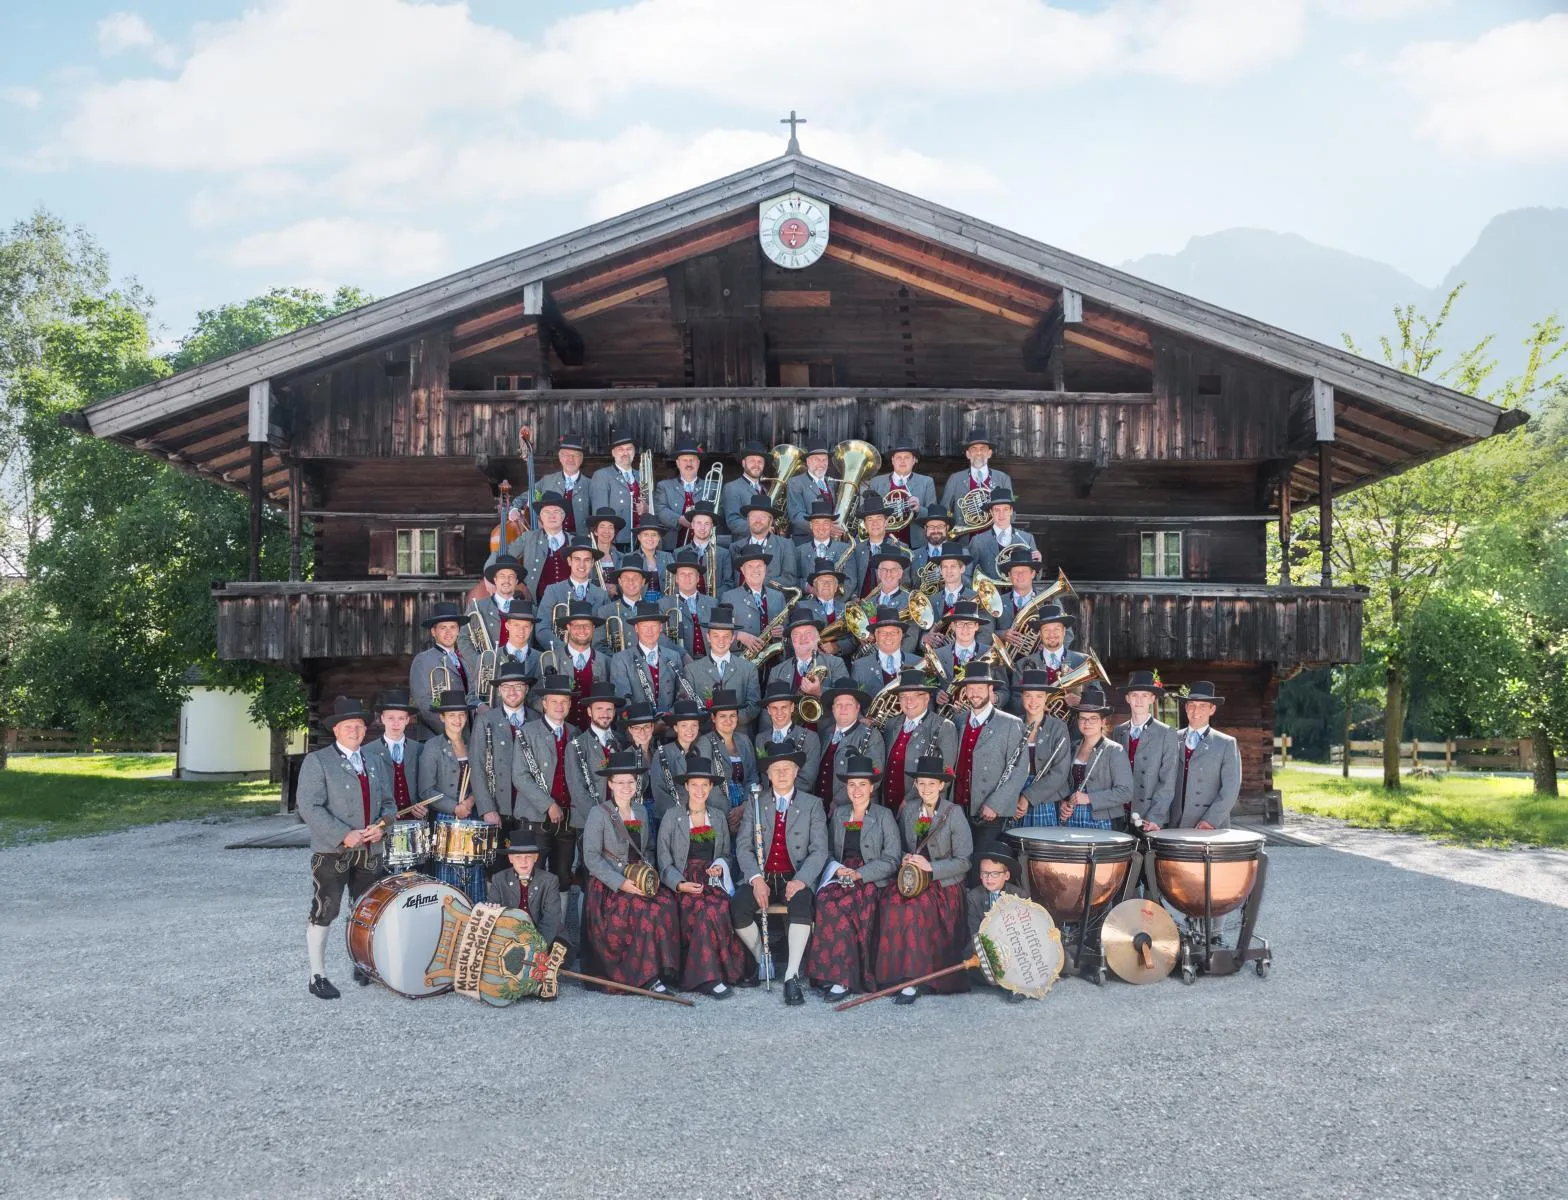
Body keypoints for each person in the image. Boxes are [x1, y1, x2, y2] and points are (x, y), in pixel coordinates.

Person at [298, 697, 394, 1000]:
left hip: (369, 851)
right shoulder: (318, 761)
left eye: (359, 726)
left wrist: (381, 827)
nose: (354, 730)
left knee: (366, 909)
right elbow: (309, 807)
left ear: (365, 730)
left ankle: (362, 963)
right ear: (336, 730)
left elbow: (389, 804)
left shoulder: (375, 761)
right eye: (348, 726)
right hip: (333, 852)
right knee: (326, 909)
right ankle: (317, 975)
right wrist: (343, 834)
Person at [732, 746, 829, 1006]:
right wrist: (755, 879)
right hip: (762, 876)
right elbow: (743, 846)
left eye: (788, 768)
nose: (783, 773)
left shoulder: (813, 805)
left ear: (797, 772)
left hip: (795, 875)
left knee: (801, 906)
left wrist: (801, 881)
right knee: (738, 906)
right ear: (769, 775)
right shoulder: (755, 803)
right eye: (777, 770)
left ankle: (791, 975)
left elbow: (819, 851)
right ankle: (763, 960)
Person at [581, 750, 681, 994]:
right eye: (620, 782)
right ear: (611, 784)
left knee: (666, 901)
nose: (626, 786)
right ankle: (644, 976)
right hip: (608, 887)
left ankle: (662, 969)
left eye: (631, 781)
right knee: (644, 909)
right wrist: (621, 883)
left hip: (637, 878)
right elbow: (591, 858)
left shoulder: (642, 811)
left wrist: (648, 877)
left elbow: (645, 849)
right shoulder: (598, 813)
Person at [877, 754, 973, 1005]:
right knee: (890, 903)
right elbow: (894, 848)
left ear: (942, 785)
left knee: (915, 909)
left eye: (932, 784)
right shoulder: (908, 811)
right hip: (911, 880)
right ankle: (894, 976)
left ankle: (914, 979)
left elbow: (964, 861)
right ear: (916, 785)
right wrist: (905, 858)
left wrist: (930, 867)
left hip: (943, 884)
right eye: (922, 783)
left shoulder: (954, 813)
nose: (927, 788)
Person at [803, 754, 900, 998]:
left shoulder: (884, 816)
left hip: (870, 878)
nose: (856, 790)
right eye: (852, 785)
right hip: (841, 873)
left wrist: (860, 873)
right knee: (826, 900)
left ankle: (845, 978)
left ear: (872, 787)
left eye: (862, 785)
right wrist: (837, 869)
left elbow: (892, 859)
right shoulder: (838, 815)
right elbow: (825, 851)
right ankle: (828, 973)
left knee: (848, 905)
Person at [657, 755, 748, 998]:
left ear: (711, 787)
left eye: (704, 785)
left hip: (711, 880)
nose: (699, 790)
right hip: (683, 880)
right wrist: (680, 884)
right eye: (694, 784)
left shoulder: (718, 816)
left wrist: (720, 867)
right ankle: (709, 978)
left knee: (717, 907)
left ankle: (718, 972)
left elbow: (727, 854)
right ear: (686, 786)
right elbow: (663, 860)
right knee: (701, 910)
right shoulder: (671, 816)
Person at [417, 688, 498, 903]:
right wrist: (455, 807)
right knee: (449, 882)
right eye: (451, 715)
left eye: (461, 715)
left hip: (473, 817)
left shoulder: (474, 743)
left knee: (475, 876)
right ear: (442, 717)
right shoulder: (433, 747)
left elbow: (485, 778)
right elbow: (426, 790)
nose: (457, 719)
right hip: (447, 821)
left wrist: (472, 800)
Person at [947, 664, 1026, 873]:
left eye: (980, 688)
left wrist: (996, 804)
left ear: (991, 691)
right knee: (958, 862)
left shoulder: (1011, 724)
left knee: (983, 868)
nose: (974, 694)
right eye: (970, 688)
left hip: (990, 812)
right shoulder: (958, 720)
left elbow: (1020, 769)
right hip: (958, 807)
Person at [511, 674, 580, 900]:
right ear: (544, 704)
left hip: (568, 817)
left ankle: (557, 929)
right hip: (535, 817)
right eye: (554, 701)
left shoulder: (575, 733)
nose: (559, 706)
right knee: (533, 874)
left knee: (563, 874)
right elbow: (520, 776)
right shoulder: (527, 732)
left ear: (570, 705)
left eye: (564, 702)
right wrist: (549, 804)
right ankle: (530, 926)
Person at [1048, 683, 1133, 829]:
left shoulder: (1114, 750)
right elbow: (1063, 783)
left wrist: (1089, 798)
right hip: (1071, 818)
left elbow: (1125, 792)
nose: (1087, 723)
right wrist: (1063, 802)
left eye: (1093, 718)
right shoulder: (1072, 748)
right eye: (1082, 718)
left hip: (1102, 821)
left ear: (1103, 721)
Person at [467, 661, 535, 835]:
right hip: (498, 806)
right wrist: (487, 808)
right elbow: (477, 766)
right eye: (506, 687)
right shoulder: (485, 720)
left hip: (531, 809)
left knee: (530, 860)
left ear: (526, 688)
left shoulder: (537, 719)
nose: (512, 692)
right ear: (499, 690)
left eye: (518, 686)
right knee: (499, 861)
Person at [879, 669, 957, 816]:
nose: (909, 702)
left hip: (922, 808)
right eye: (904, 696)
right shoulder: (891, 724)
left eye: (915, 696)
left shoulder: (943, 726)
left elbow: (945, 775)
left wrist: (911, 800)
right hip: (887, 805)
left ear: (927, 698)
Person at [1115, 670, 1180, 833]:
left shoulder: (1166, 733)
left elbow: (1168, 781)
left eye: (1145, 695)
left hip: (1148, 817)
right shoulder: (1119, 731)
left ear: (1152, 699)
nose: (1139, 700)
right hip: (1119, 813)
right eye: (1135, 695)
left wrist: (1155, 817)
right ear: (1127, 698)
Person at [1171, 681, 1241, 830]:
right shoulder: (1171, 738)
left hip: (1208, 824)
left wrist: (1211, 820)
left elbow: (1231, 788)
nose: (1196, 711)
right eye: (1192, 705)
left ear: (1212, 709)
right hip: (1174, 822)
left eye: (1203, 706)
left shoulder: (1226, 743)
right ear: (1186, 707)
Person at [679, 605, 761, 729]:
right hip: (705, 737)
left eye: (726, 636)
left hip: (739, 735)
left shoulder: (748, 669)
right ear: (708, 637)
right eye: (716, 636)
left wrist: (728, 723)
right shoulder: (692, 670)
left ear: (733, 638)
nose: (721, 641)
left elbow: (754, 705)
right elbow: (687, 706)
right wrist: (711, 722)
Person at [965, 849, 1028, 1003]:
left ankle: (1013, 983)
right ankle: (998, 980)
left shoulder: (1019, 895)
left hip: (1012, 944)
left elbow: (1025, 928)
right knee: (968, 961)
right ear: (979, 875)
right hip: (986, 945)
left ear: (1006, 875)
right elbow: (973, 929)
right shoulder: (973, 896)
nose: (988, 878)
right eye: (984, 873)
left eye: (994, 874)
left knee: (1022, 959)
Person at [1013, 669, 1074, 828]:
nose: (1033, 701)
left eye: (1039, 696)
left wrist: (1027, 797)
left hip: (1045, 795)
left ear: (1047, 697)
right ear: (1022, 697)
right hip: (1014, 796)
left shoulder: (1058, 727)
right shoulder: (1013, 725)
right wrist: (1012, 797)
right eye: (1028, 695)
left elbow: (1060, 772)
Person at [649, 697, 722, 828]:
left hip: (702, 818)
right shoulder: (662, 753)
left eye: (694, 725)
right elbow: (659, 792)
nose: (690, 730)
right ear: (675, 728)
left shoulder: (702, 751)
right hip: (673, 820)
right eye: (684, 725)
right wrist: (682, 816)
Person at [813, 679, 885, 811]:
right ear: (833, 708)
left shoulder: (871, 736)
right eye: (838, 704)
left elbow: (875, 775)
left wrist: (839, 803)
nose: (843, 709)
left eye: (849, 705)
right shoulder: (825, 733)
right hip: (820, 808)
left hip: (853, 809)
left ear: (857, 708)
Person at [538, 599, 610, 727]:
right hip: (560, 731)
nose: (582, 630)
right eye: (577, 626)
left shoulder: (606, 662)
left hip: (595, 734)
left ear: (593, 628)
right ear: (568, 627)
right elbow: (534, 697)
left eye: (587, 626)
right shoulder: (550, 659)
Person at [486, 833, 565, 948]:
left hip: (541, 937)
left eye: (528, 856)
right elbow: (493, 912)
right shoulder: (499, 879)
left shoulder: (549, 881)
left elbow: (551, 919)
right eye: (518, 857)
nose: (523, 862)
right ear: (510, 858)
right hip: (508, 939)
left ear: (536, 858)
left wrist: (537, 947)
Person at [609, 600, 688, 713]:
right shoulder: (621, 659)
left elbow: (682, 695)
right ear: (636, 628)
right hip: (638, 725)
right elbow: (623, 699)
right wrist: (645, 722)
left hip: (669, 724)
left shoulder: (674, 656)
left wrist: (669, 716)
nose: (650, 631)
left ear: (661, 627)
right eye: (645, 626)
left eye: (654, 626)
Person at [764, 606, 844, 718]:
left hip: (825, 732)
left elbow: (846, 700)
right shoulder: (777, 671)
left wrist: (819, 692)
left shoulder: (836, 664)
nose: (803, 638)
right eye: (796, 634)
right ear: (791, 640)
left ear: (817, 636)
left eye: (808, 633)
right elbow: (767, 712)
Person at [563, 680, 623, 819]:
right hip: (589, 819)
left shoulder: (622, 740)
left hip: (621, 817)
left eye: (609, 709)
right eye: (599, 708)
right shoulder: (576, 745)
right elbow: (577, 789)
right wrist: (598, 818)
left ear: (614, 712)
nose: (604, 713)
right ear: (589, 711)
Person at [934, 601, 1010, 712]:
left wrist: (996, 698)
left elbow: (1004, 691)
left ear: (977, 626)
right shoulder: (938, 654)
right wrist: (936, 694)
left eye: (970, 624)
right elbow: (930, 688)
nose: (965, 628)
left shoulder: (992, 653)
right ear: (953, 626)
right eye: (960, 623)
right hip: (948, 717)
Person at [537, 536, 610, 651]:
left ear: (592, 563)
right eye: (577, 559)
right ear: (569, 561)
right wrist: (565, 650)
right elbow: (541, 629)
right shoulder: (553, 591)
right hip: (561, 657)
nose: (582, 565)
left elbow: (605, 633)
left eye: (586, 560)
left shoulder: (601, 595)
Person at [863, 440, 939, 549]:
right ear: (893, 460)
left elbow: (934, 515)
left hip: (915, 542)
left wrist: (919, 510)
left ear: (914, 460)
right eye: (898, 457)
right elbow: (866, 511)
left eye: (907, 457)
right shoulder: (876, 482)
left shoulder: (926, 482)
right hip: (883, 539)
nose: (902, 461)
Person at [409, 601, 470, 736]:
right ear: (433, 632)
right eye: (443, 628)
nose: (449, 632)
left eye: (453, 627)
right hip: (438, 736)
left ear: (458, 630)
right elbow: (424, 704)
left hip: (467, 734)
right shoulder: (423, 660)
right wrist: (452, 732)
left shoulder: (464, 660)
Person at [362, 689, 423, 821]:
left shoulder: (419, 749)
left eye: (401, 718)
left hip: (414, 822)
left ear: (407, 720)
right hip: (382, 822)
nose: (396, 723)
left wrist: (424, 807)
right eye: (390, 718)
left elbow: (426, 785)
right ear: (382, 718)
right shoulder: (367, 751)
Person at [720, 544, 790, 657]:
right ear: (742, 570)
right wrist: (739, 636)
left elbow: (787, 631)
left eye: (759, 566)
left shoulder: (778, 596)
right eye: (750, 566)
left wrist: (783, 632)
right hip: (744, 661)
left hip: (774, 660)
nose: (755, 570)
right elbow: (720, 633)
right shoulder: (729, 597)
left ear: (765, 569)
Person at [706, 688, 759, 830]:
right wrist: (728, 814)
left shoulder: (744, 740)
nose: (728, 721)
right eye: (722, 716)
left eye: (732, 716)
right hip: (718, 810)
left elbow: (752, 775)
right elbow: (707, 784)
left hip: (746, 808)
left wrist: (745, 805)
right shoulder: (704, 743)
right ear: (713, 718)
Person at [754, 679, 823, 789]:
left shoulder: (810, 738)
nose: (779, 712)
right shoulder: (760, 739)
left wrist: (780, 797)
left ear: (792, 708)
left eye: (784, 707)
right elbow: (761, 777)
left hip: (799, 803)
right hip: (767, 803)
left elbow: (807, 780)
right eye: (774, 708)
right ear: (768, 710)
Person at [588, 431, 648, 549]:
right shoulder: (602, 475)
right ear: (613, 453)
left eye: (629, 449)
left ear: (634, 451)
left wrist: (646, 508)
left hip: (642, 539)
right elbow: (600, 513)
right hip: (616, 540)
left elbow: (651, 507)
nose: (625, 453)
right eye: (620, 449)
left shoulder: (642, 476)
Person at [842, 494, 909, 599]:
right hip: (862, 605)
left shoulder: (901, 548)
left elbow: (905, 583)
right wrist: (854, 599)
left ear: (886, 522)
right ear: (864, 524)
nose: (874, 523)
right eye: (870, 519)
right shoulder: (856, 549)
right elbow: (850, 581)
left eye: (879, 518)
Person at [966, 487, 1040, 580]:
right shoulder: (978, 541)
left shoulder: (1027, 538)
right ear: (991, 512)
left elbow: (1035, 578)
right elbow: (967, 575)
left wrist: (1038, 563)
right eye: (997, 510)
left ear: (1011, 511)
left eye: (1005, 509)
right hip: (988, 593)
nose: (1001, 514)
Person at [465, 553, 529, 659]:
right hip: (489, 671)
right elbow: (464, 638)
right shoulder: (477, 607)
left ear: (517, 581)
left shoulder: (529, 609)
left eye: (511, 577)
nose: (506, 581)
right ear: (495, 580)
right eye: (502, 576)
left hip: (522, 671)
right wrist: (479, 663)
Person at [939, 427, 1014, 517]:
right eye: (974, 449)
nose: (978, 452)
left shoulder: (1003, 478)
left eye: (982, 448)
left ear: (989, 453)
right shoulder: (955, 479)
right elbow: (943, 510)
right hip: (964, 530)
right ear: (968, 454)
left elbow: (1012, 515)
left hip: (992, 530)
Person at [513, 491, 573, 598]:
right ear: (541, 517)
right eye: (546, 512)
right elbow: (503, 556)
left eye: (556, 511)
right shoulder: (528, 538)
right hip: (537, 604)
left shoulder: (574, 541)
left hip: (570, 603)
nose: (551, 516)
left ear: (563, 516)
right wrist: (489, 577)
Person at [529, 432, 592, 534]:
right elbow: (528, 495)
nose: (570, 459)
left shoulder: (591, 484)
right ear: (560, 457)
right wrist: (514, 508)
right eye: (566, 455)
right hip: (552, 538)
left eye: (575, 455)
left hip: (580, 541)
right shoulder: (547, 480)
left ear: (581, 459)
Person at [849, 605, 919, 695]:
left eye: (893, 632)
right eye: (882, 632)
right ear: (876, 636)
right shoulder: (860, 667)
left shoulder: (918, 662)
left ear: (901, 635)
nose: (888, 637)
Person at [660, 547, 717, 657]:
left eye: (691, 574)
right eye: (682, 574)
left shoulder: (712, 603)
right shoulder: (663, 604)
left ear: (698, 578)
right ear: (676, 579)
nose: (687, 578)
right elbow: (660, 637)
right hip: (679, 662)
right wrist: (682, 655)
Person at [733, 498, 800, 591]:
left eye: (763, 517)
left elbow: (790, 579)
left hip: (773, 601)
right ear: (748, 520)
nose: (758, 520)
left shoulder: (786, 545)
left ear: (771, 520)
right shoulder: (735, 547)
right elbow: (732, 582)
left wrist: (758, 582)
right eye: (753, 516)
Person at [654, 437, 707, 548]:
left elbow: (718, 511)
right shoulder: (664, 486)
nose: (689, 464)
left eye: (692, 460)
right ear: (678, 463)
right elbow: (660, 510)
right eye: (685, 460)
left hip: (703, 543)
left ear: (698, 463)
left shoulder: (711, 486)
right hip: (672, 544)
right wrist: (679, 519)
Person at [784, 440, 840, 541]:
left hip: (831, 540)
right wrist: (825, 528)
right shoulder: (796, 482)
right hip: (806, 540)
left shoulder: (832, 482)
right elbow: (796, 515)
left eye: (824, 460)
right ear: (808, 461)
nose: (821, 464)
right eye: (817, 460)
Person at [803, 556, 855, 660]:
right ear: (814, 585)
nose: (826, 584)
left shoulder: (846, 608)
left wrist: (837, 647)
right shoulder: (802, 607)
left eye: (830, 581)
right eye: (822, 581)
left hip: (842, 663)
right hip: (813, 661)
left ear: (836, 587)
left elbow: (854, 639)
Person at [721, 440, 772, 541]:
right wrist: (762, 529)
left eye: (760, 461)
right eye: (752, 461)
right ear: (743, 463)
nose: (756, 465)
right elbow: (733, 522)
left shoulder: (765, 490)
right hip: (743, 545)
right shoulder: (732, 487)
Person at [793, 499, 853, 583]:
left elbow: (851, 581)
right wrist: (807, 587)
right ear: (810, 525)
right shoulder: (799, 551)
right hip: (807, 596)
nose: (821, 527)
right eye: (817, 523)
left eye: (825, 523)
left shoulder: (845, 549)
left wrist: (835, 595)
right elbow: (794, 580)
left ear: (832, 525)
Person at [684, 501, 732, 593]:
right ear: (692, 525)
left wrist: (710, 600)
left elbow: (728, 584)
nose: (702, 528)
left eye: (707, 524)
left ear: (712, 526)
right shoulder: (678, 553)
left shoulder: (724, 554)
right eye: (698, 523)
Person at [627, 514, 674, 598]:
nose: (650, 539)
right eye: (645, 534)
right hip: (639, 605)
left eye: (654, 535)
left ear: (659, 537)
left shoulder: (667, 557)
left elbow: (675, 583)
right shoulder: (629, 557)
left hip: (664, 605)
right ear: (639, 537)